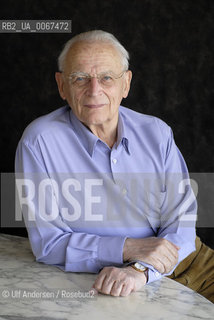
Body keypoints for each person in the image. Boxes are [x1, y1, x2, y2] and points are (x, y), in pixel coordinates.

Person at [15, 30, 213, 302]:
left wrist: (141, 269)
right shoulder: (38, 142)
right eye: (80, 78)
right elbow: (48, 244)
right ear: (62, 86)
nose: (94, 90)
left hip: (188, 262)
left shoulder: (157, 132)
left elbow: (182, 222)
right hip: (105, 277)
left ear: (126, 84)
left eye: (107, 77)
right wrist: (129, 248)